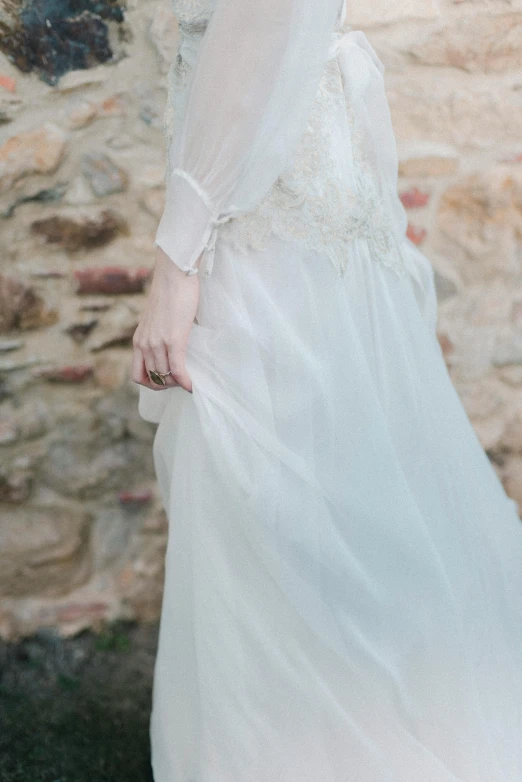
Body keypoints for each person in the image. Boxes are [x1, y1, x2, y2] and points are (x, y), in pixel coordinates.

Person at [132, 1, 522, 779]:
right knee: (321, 490)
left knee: (281, 495)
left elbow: (258, 29)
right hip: (280, 182)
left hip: (261, 204)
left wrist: (178, 258)